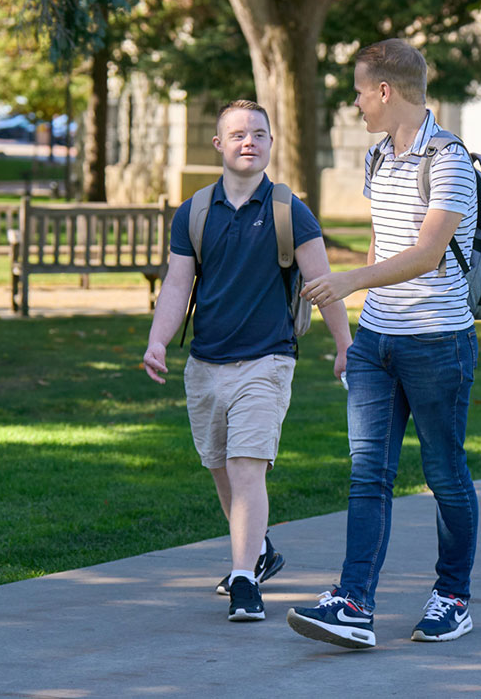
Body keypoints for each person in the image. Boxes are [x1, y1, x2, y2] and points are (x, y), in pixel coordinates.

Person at [286, 39, 479, 648]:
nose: (357, 102)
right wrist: (358, 327)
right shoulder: (376, 158)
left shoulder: (449, 160)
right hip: (377, 342)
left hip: (438, 341)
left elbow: (425, 254)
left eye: (360, 91)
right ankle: (353, 603)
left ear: (386, 91)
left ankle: (453, 597)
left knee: (445, 473)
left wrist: (348, 283)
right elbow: (381, 242)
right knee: (368, 472)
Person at [143, 99, 352, 622]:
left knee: (245, 466)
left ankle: (243, 579)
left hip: (267, 360)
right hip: (206, 363)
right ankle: (260, 552)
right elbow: (177, 283)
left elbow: (324, 284)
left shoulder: (288, 210)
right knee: (220, 468)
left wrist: (346, 345)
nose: (248, 142)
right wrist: (157, 341)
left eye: (259, 134)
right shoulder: (193, 212)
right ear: (219, 144)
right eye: (237, 134)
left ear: (270, 143)